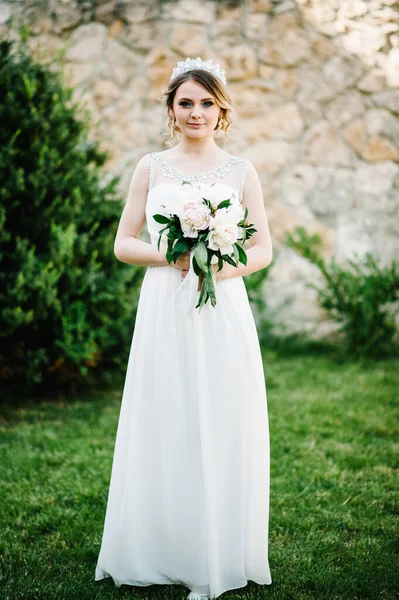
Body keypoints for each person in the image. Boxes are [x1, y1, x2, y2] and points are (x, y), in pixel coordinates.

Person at [94, 56, 273, 600]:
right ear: (171, 110)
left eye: (206, 103)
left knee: (221, 417)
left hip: (223, 310)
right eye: (185, 103)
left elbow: (263, 248)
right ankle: (159, 545)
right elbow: (124, 242)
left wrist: (217, 263)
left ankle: (217, 550)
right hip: (163, 309)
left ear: (222, 111)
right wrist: (170, 257)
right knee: (165, 413)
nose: (196, 112)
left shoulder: (242, 171)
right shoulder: (151, 167)